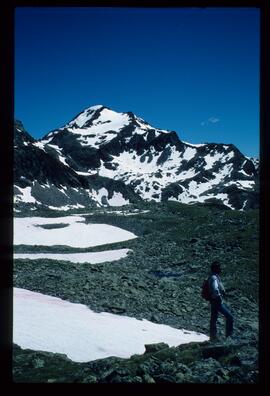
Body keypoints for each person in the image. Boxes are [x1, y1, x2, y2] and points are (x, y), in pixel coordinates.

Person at [208, 261, 234, 341]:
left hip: (213, 301)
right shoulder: (214, 278)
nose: (221, 269)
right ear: (216, 269)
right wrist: (219, 297)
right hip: (217, 301)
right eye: (219, 268)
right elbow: (215, 289)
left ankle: (213, 337)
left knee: (214, 318)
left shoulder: (213, 276)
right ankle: (228, 336)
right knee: (230, 317)